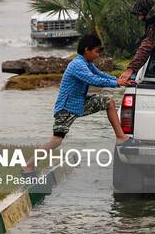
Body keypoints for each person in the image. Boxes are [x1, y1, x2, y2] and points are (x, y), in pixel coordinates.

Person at [22, 34, 133, 174]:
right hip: (66, 108)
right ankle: (28, 166)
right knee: (56, 140)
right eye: (96, 51)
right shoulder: (77, 64)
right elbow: (93, 80)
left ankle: (121, 137)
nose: (98, 55)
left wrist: (119, 80)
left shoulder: (87, 63)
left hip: (80, 104)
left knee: (108, 102)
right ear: (87, 50)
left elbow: (100, 75)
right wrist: (116, 83)